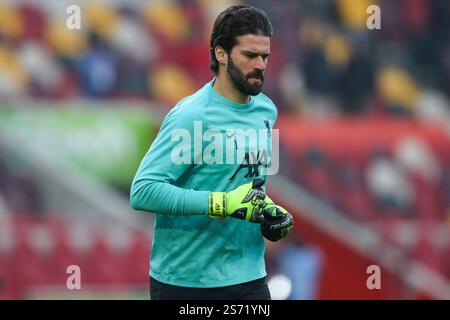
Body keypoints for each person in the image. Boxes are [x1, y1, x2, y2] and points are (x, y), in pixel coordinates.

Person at [130, 5, 293, 300]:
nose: (260, 65)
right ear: (221, 54)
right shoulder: (191, 116)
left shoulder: (267, 110)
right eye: (249, 55)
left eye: (264, 56)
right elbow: (143, 191)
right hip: (187, 283)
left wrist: (268, 213)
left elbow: (247, 184)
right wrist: (220, 203)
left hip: (249, 277)